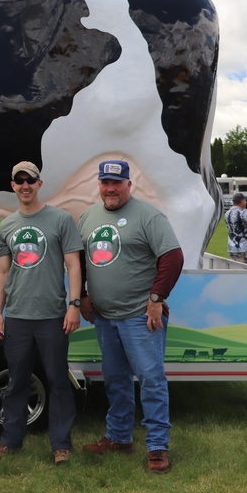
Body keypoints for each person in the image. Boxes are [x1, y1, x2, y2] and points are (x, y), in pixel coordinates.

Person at [78, 160, 184, 473]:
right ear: (99, 184)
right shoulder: (88, 216)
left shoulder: (148, 215)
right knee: (115, 381)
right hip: (105, 317)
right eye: (105, 182)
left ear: (128, 185)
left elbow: (172, 257)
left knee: (151, 381)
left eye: (116, 182)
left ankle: (157, 448)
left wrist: (156, 299)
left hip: (140, 316)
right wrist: (84, 295)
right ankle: (119, 437)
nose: (110, 188)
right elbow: (80, 260)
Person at [0, 161, 83, 465]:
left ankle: (60, 444)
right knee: (16, 381)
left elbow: (73, 264)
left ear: (39, 184)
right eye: (19, 181)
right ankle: (10, 440)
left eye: (30, 180)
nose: (25, 185)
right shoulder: (7, 226)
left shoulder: (60, 220)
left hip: (53, 316)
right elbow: (3, 272)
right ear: (13, 186)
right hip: (17, 316)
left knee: (58, 380)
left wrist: (74, 304)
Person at [225, 193, 247, 266]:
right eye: (245, 200)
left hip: (232, 247)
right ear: (242, 201)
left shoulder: (227, 213)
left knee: (236, 269)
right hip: (245, 248)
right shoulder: (244, 213)